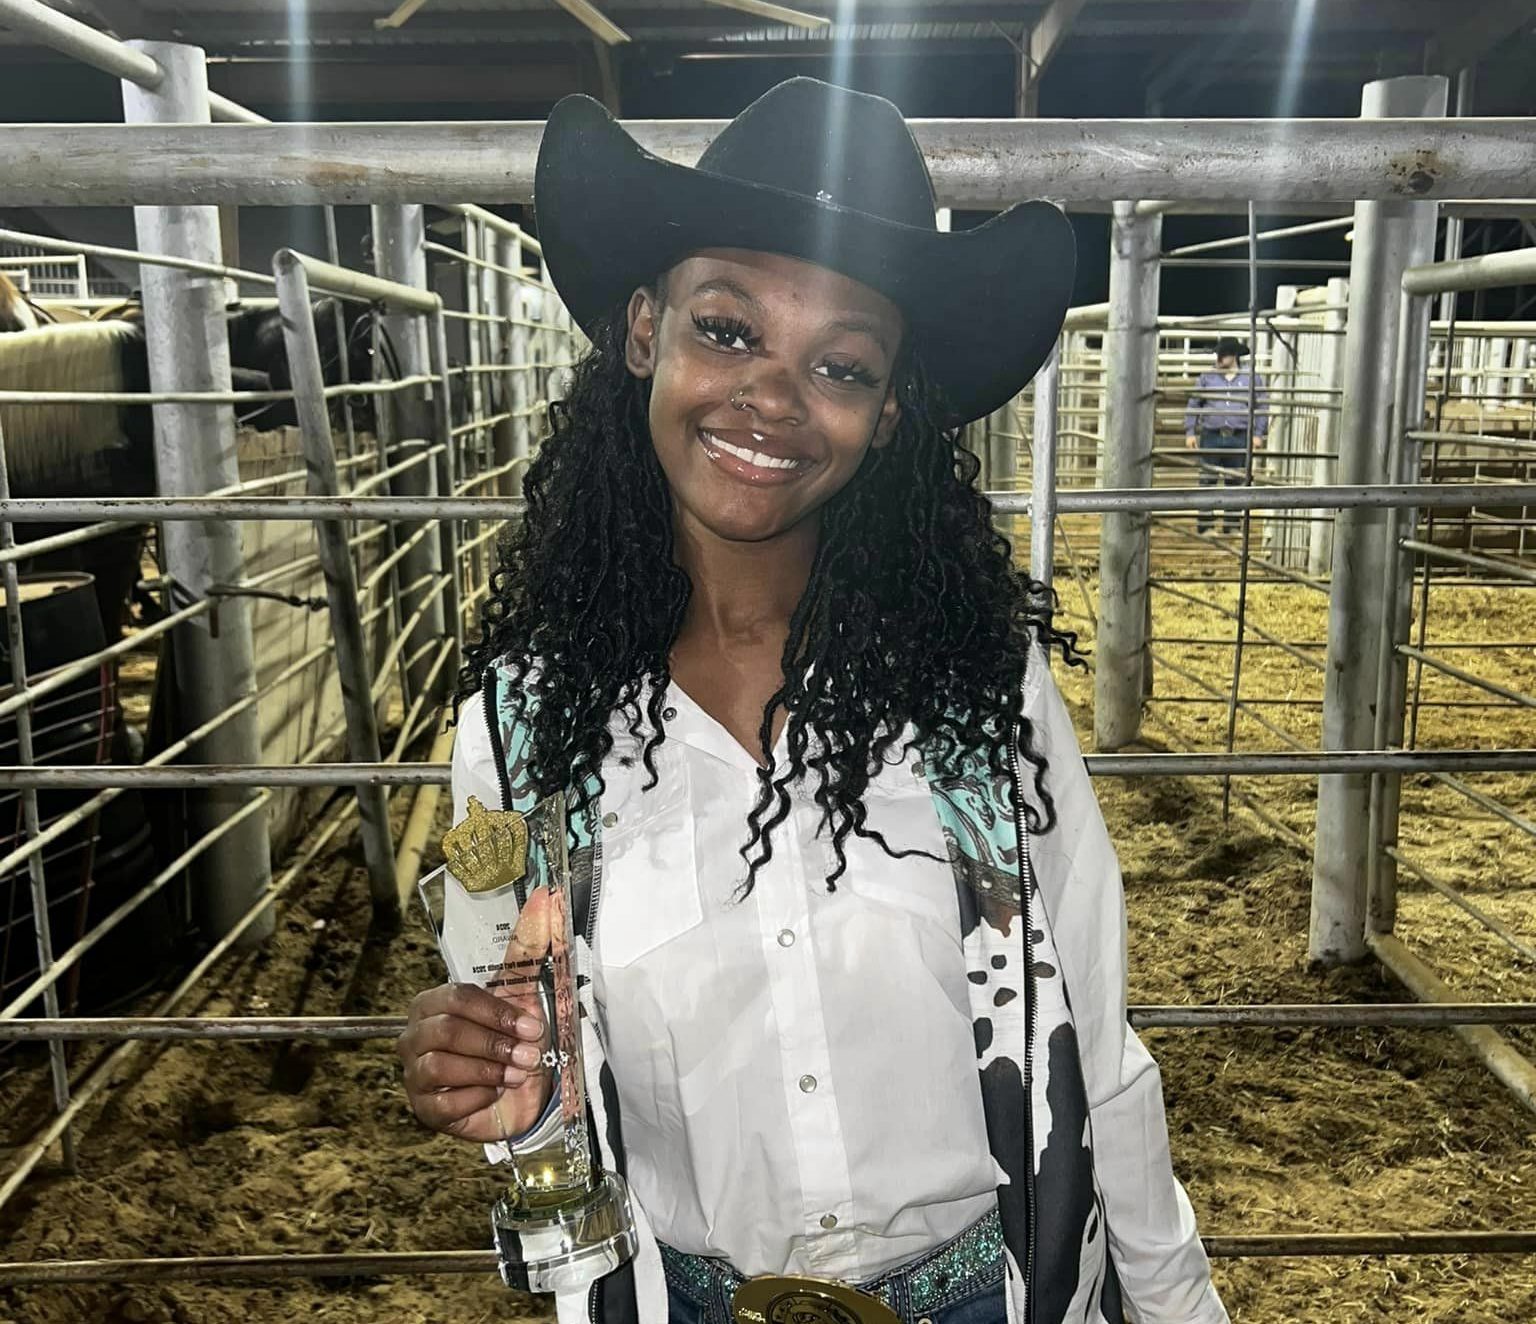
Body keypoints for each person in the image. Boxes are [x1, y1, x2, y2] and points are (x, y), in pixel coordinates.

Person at [399, 79, 1228, 1324]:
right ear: (645, 331)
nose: (776, 397)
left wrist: (1179, 1307)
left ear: (886, 413)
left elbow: (1096, 1054)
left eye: (839, 363)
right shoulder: (527, 730)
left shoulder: (975, 692)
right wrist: (475, 1072)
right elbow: (523, 1065)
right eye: (728, 329)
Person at [1183, 336, 1267, 534]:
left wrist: (1258, 433)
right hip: (1211, 435)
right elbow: (1194, 403)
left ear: (1234, 355)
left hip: (1239, 436)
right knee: (1207, 480)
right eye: (1218, 354)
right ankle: (1205, 526)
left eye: (1224, 354)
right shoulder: (1207, 377)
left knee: (1236, 481)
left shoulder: (1251, 378)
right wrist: (1190, 431)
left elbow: (1262, 406)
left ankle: (1232, 525)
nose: (1219, 358)